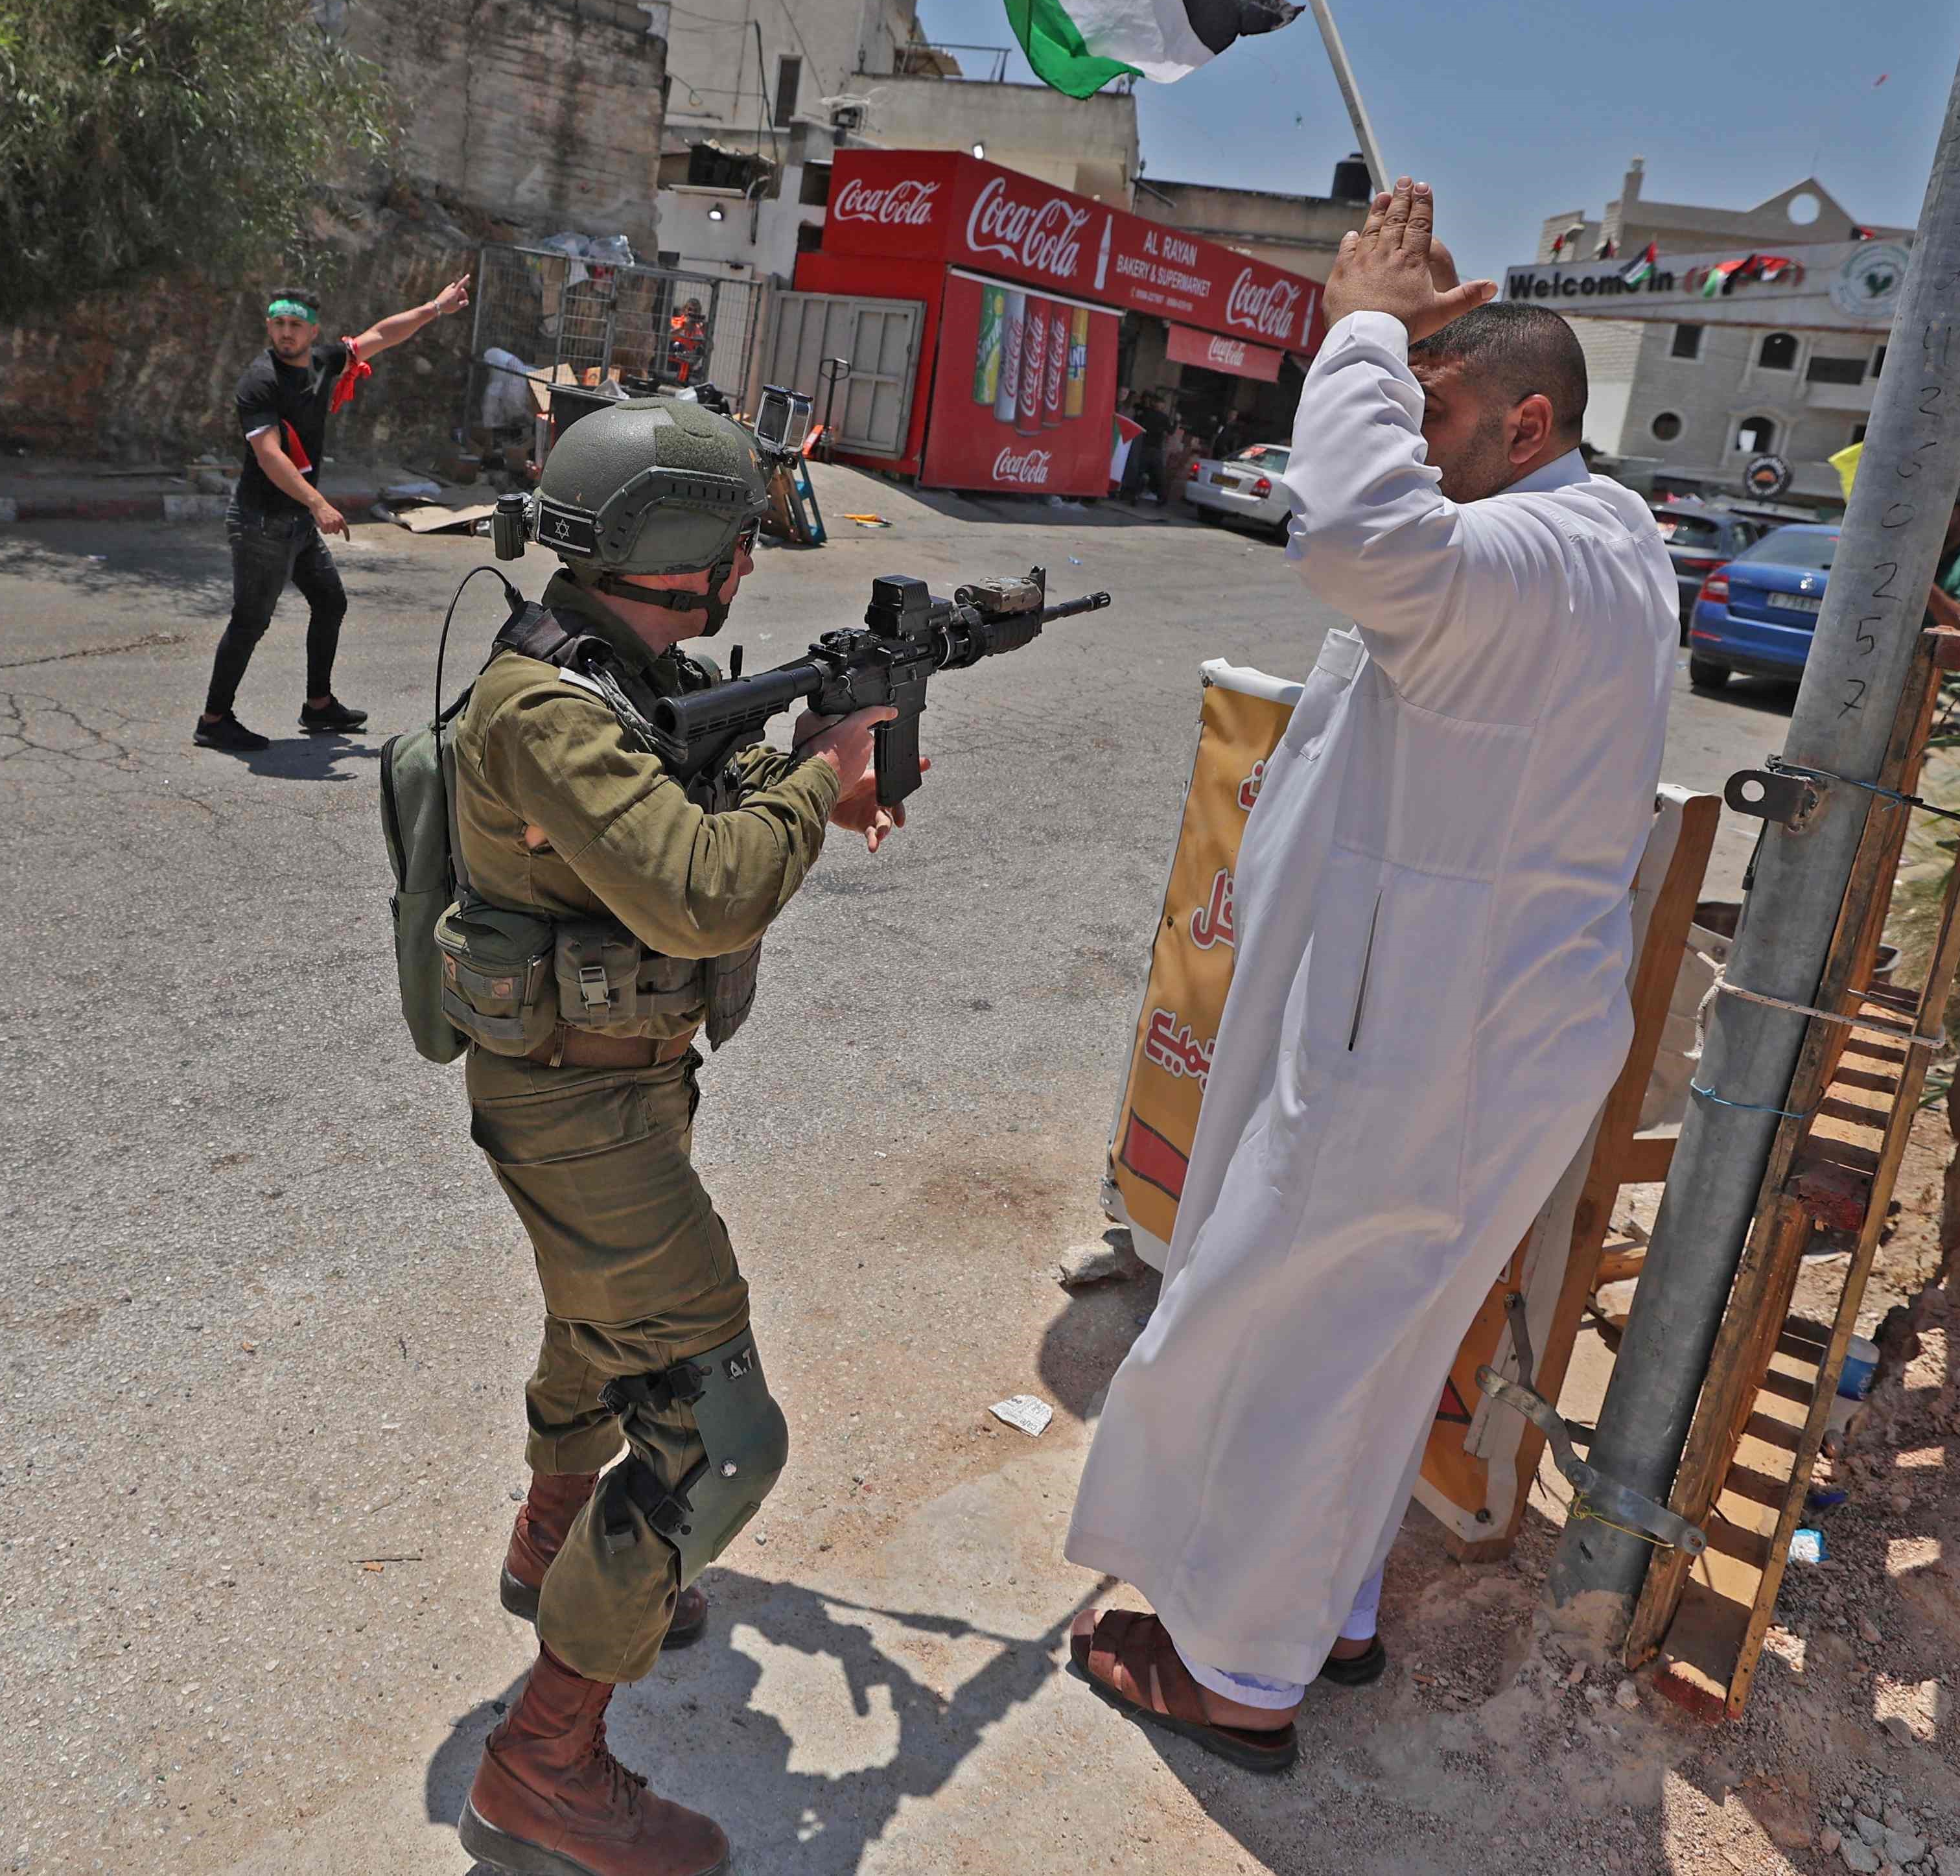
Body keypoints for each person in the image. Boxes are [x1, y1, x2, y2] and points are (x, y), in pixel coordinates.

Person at [1062, 180, 1678, 1772]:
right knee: (1371, 1347)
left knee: (1282, 1335)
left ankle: (1236, 1673)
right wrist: (1400, 353)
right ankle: (1322, 1613)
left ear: (1527, 424)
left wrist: (1356, 333)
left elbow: (1345, 530)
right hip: (1467, 1029)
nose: (1409, 428)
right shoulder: (1595, 542)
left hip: (1418, 1040)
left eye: (1435, 409)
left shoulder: (1530, 554)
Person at [445, 394, 912, 1876]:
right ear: (680, 551)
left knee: (598, 1333)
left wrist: (811, 759)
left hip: (606, 1085)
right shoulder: (548, 710)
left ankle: (551, 1545)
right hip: (578, 1107)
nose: (748, 566)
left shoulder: (621, 672)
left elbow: (693, 802)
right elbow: (701, 890)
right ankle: (543, 1763)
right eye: (736, 542)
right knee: (718, 1440)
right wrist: (824, 780)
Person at [194, 277, 472, 753]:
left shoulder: (323, 362)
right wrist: (317, 503)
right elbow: (269, 456)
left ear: (312, 330)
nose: (286, 333)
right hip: (262, 521)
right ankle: (214, 720)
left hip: (296, 520)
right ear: (269, 327)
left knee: (329, 602)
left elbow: (379, 336)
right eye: (278, 324)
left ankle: (318, 706)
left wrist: (435, 307)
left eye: (295, 325)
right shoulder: (260, 381)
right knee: (250, 622)